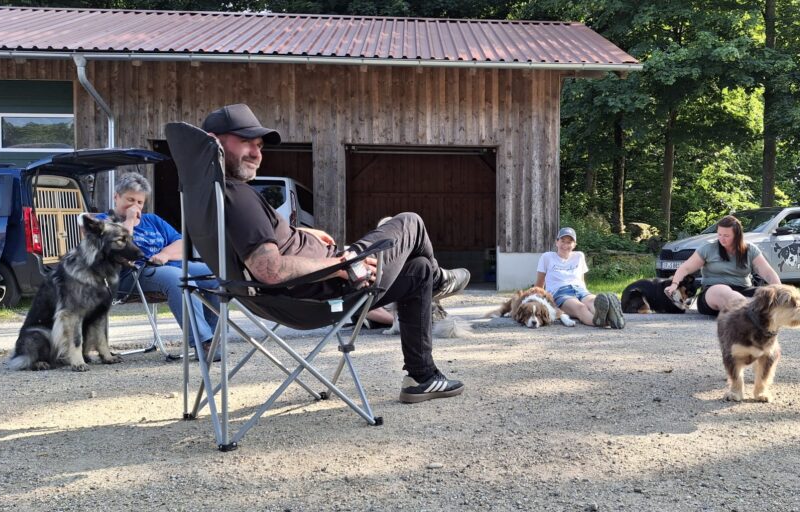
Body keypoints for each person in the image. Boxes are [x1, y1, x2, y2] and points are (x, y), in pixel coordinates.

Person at [201, 103, 470, 404]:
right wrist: (340, 263)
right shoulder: (236, 196)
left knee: (418, 269)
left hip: (305, 289)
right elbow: (269, 269)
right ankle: (439, 281)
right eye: (246, 142)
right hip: (327, 291)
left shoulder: (209, 196)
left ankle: (423, 377)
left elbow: (267, 252)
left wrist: (303, 235)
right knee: (411, 222)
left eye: (259, 145)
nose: (256, 153)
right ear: (214, 141)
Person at [105, 173, 222, 360]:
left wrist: (164, 254)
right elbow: (117, 247)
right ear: (116, 197)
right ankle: (203, 343)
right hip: (130, 275)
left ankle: (215, 339)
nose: (135, 206)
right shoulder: (104, 221)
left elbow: (182, 244)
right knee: (178, 278)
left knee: (216, 275)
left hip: (166, 266)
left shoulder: (153, 220)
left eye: (140, 202)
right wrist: (129, 222)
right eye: (130, 200)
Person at [664, 215, 781, 316]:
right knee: (722, 290)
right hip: (713, 292)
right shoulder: (708, 248)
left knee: (768, 293)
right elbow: (686, 268)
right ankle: (751, 308)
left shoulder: (750, 249)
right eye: (719, 234)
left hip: (743, 289)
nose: (722, 239)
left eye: (726, 236)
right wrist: (674, 285)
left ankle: (753, 307)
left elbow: (767, 272)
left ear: (737, 235)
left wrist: (780, 290)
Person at [535, 227, 624, 328]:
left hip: (580, 290)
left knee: (593, 301)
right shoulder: (547, 257)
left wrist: (586, 294)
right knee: (580, 307)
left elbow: (581, 280)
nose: (565, 245)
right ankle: (604, 321)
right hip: (560, 293)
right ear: (557, 242)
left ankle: (610, 315)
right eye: (562, 241)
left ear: (574, 245)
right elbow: (539, 285)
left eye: (569, 242)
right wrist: (539, 301)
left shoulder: (579, 256)